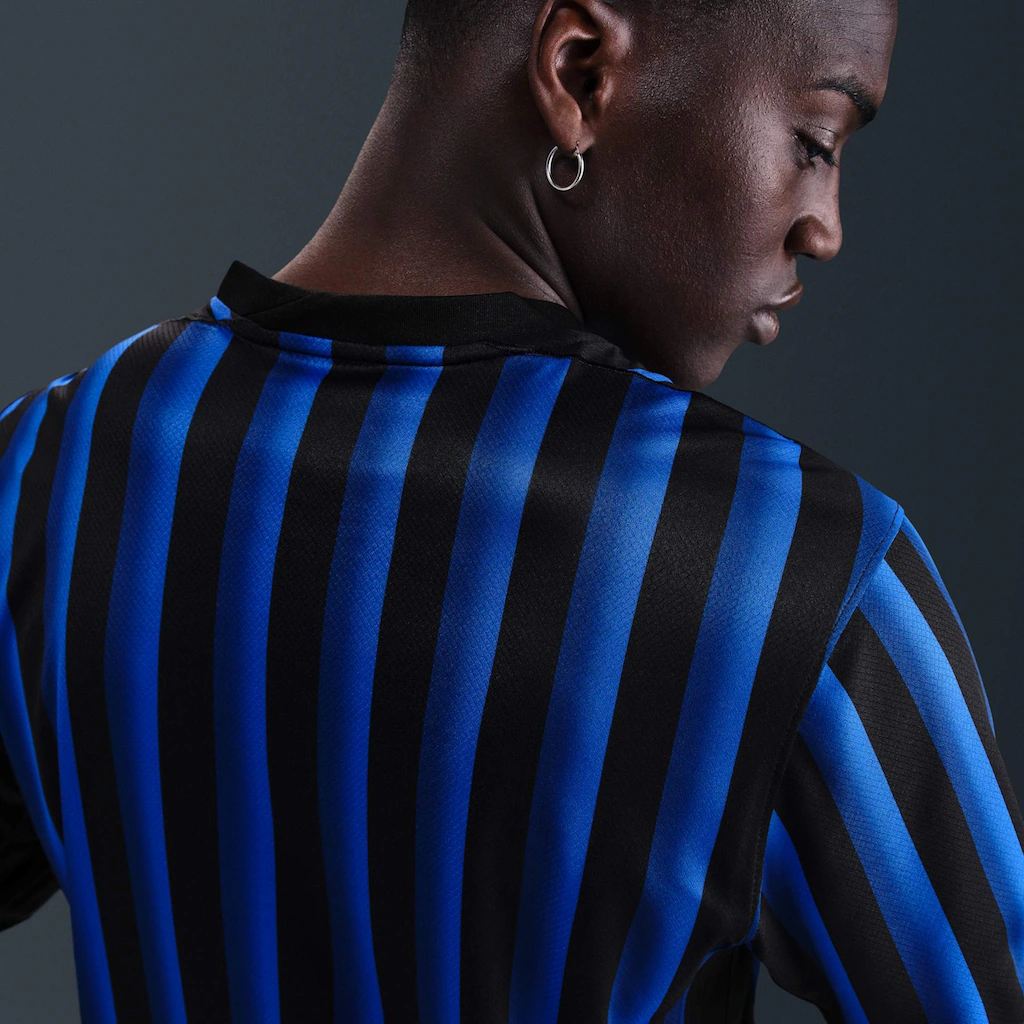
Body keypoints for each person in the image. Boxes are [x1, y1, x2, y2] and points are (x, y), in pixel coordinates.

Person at [1, 0, 1021, 1020]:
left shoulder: (46, 475)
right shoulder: (797, 570)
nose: (825, 228)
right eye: (815, 141)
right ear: (580, 72)